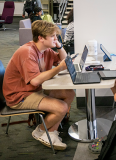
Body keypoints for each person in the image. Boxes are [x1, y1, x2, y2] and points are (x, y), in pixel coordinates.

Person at [3, 20, 75, 150]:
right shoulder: (27, 52)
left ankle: (51, 132)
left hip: (34, 90)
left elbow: (63, 60)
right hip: (19, 96)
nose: (56, 38)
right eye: (53, 36)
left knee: (69, 94)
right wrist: (58, 68)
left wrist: (58, 45)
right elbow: (35, 81)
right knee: (62, 107)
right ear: (41, 38)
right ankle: (40, 130)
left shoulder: (45, 49)